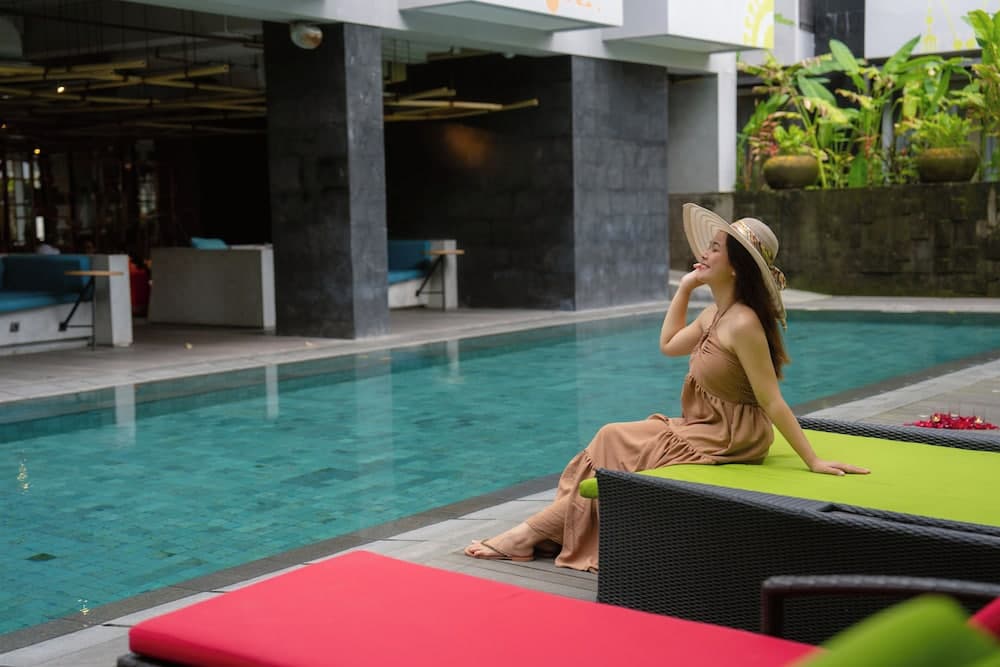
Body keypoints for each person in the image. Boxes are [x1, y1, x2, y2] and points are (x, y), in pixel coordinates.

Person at [464, 203, 869, 572]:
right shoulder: (715, 314)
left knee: (627, 452)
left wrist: (813, 460)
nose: (704, 254)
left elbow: (771, 399)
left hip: (731, 437)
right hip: (704, 427)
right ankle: (545, 532)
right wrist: (685, 288)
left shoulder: (744, 323)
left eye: (715, 249)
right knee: (610, 436)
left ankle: (527, 534)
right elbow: (669, 344)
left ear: (736, 266)